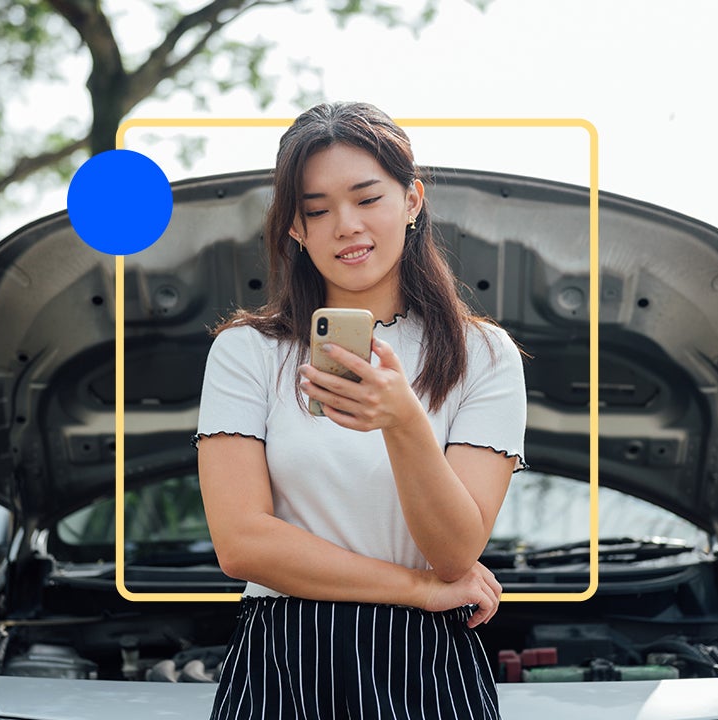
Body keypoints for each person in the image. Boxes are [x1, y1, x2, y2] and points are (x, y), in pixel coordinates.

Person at [195, 101, 527, 720]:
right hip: (282, 662)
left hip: (426, 667)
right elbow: (242, 543)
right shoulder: (246, 352)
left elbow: (456, 551)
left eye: (367, 198)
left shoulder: (484, 355)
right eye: (316, 210)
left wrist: (403, 422)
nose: (345, 225)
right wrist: (419, 589)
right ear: (295, 228)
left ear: (413, 200)